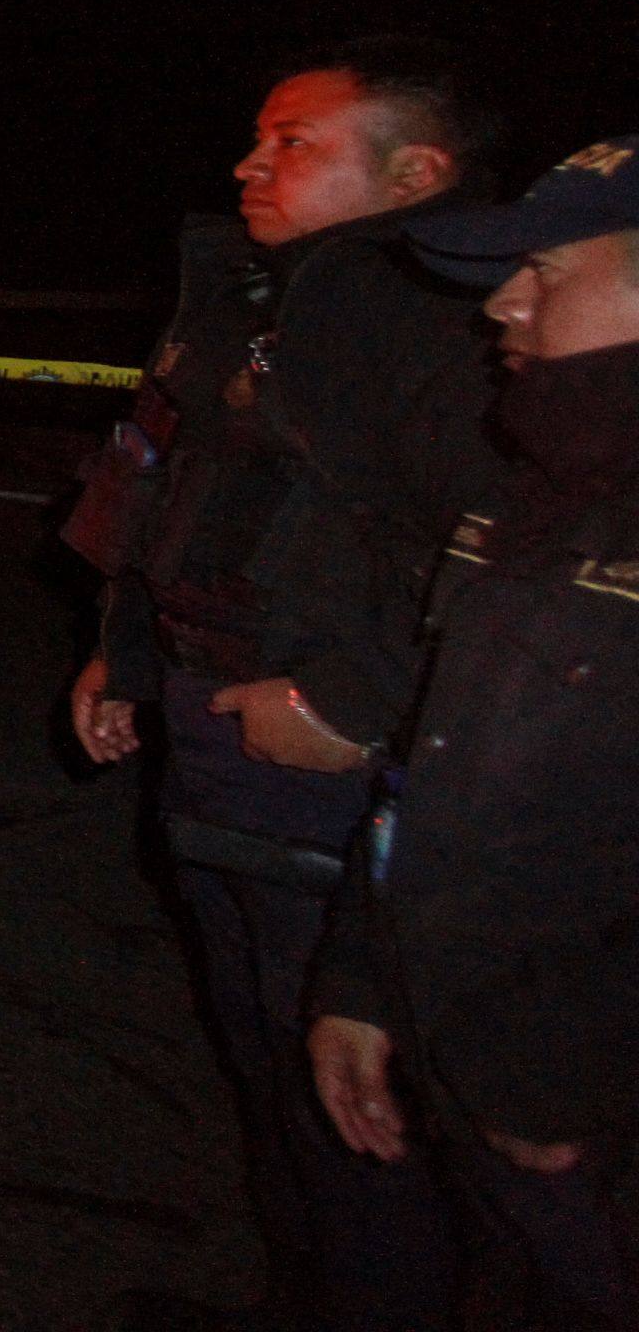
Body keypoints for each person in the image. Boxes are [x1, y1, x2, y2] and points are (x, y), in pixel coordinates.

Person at [62, 40, 501, 1331]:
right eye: (259, 137)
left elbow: (494, 557)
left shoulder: (436, 321)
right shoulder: (265, 294)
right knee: (264, 1052)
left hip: (332, 770)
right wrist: (127, 649)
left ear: (415, 173)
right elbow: (171, 479)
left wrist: (354, 704)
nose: (250, 164)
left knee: (352, 1086)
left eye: (294, 143)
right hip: (216, 728)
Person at [306, 138, 639, 1327]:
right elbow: (431, 766)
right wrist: (363, 982)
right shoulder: (537, 498)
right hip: (472, 1073)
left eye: (546, 271)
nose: (502, 303)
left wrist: (576, 1071)